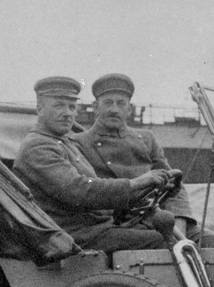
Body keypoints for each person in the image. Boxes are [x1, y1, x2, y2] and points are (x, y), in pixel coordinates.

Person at [13, 76, 171, 252]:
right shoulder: (38, 146)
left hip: (91, 229)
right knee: (155, 240)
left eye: (72, 107)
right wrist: (137, 183)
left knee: (158, 226)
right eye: (58, 105)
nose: (67, 113)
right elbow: (79, 190)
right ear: (40, 109)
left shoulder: (61, 142)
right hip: (69, 236)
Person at [74, 73, 200, 243]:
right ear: (96, 107)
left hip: (161, 219)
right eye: (108, 102)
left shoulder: (147, 138)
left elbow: (175, 186)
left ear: (129, 109)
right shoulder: (80, 143)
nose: (114, 109)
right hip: (121, 226)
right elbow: (89, 192)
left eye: (121, 103)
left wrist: (179, 221)